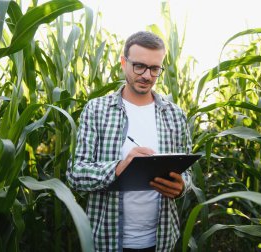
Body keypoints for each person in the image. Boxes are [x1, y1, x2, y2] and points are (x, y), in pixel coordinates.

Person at [66, 31, 192, 252]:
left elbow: (188, 172)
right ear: (124, 63)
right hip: (107, 240)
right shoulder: (96, 110)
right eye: (139, 66)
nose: (146, 75)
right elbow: (75, 174)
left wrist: (182, 186)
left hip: (161, 241)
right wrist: (118, 168)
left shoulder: (175, 115)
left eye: (155, 69)